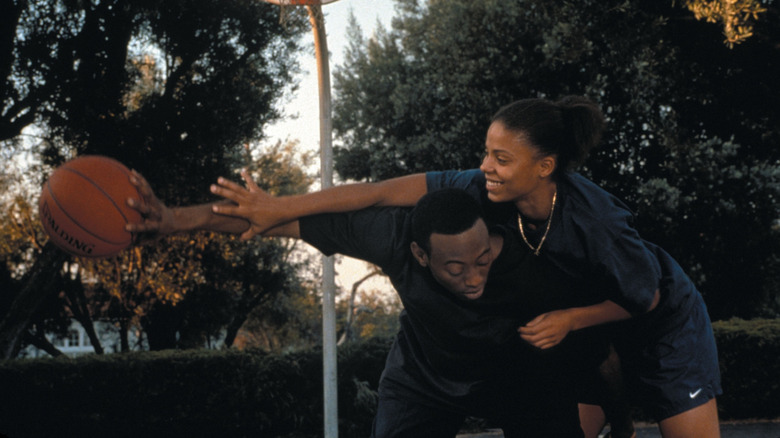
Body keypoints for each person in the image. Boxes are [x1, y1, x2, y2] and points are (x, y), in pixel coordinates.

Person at [206, 96, 722, 438]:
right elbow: (380, 193)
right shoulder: (481, 190)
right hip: (587, 325)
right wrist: (283, 206)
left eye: (500, 157)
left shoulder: (598, 221)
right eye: (486, 152)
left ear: (544, 167)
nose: (485, 166)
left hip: (660, 323)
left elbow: (645, 298)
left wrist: (568, 319)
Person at [127, 175, 630, 437]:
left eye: (483, 260)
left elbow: (600, 345)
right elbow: (271, 222)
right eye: (455, 269)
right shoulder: (390, 235)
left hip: (519, 378)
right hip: (425, 380)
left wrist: (623, 418)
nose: (475, 278)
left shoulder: (533, 258)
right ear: (418, 254)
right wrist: (173, 220)